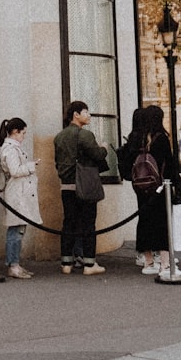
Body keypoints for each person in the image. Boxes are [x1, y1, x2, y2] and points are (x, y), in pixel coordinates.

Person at [54, 100, 109, 276]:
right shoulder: (85, 135)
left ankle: (66, 263)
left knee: (68, 223)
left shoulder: (59, 137)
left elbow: (58, 163)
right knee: (88, 223)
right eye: (86, 112)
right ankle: (89, 264)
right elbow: (97, 155)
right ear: (75, 115)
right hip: (84, 186)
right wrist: (104, 148)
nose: (89, 115)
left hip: (66, 186)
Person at [131, 105, 181, 278]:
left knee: (144, 221)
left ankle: (148, 262)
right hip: (160, 187)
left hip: (141, 188)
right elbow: (169, 164)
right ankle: (165, 264)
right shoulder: (161, 139)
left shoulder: (138, 139)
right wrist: (175, 185)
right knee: (162, 224)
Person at [0, 117, 40, 279]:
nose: (24, 136)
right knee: (15, 230)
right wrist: (31, 166)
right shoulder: (10, 149)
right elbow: (15, 170)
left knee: (18, 229)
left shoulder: (11, 147)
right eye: (23, 133)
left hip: (19, 192)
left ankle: (15, 263)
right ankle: (13, 265)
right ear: (15, 132)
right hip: (17, 193)